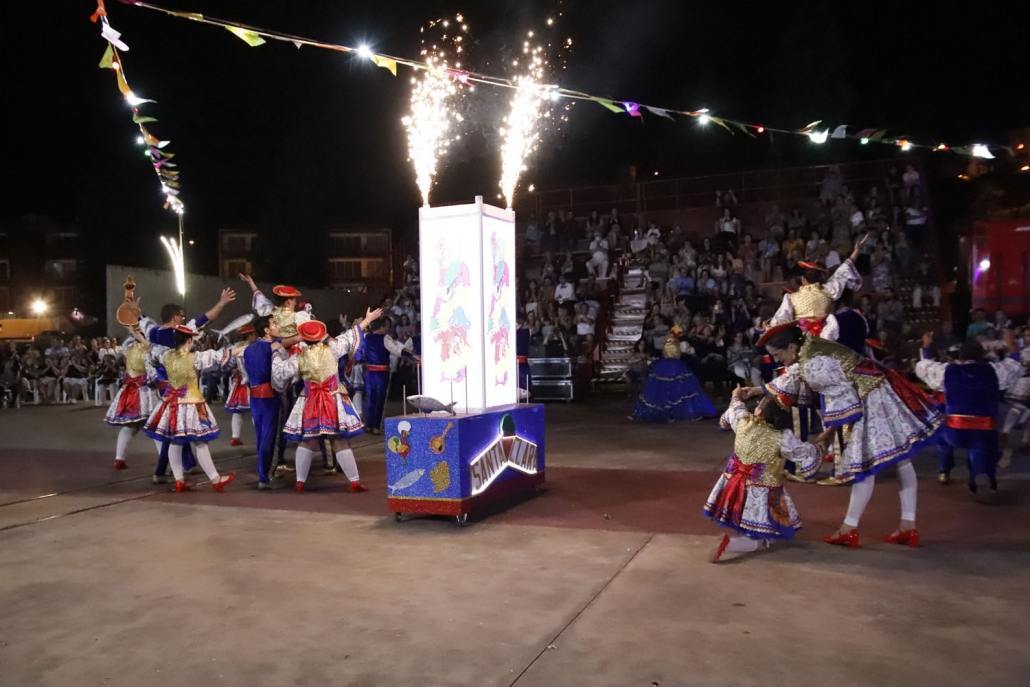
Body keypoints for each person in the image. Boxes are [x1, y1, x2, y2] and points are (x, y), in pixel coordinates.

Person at [758, 324, 943, 548]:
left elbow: (840, 398)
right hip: (880, 388)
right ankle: (908, 526)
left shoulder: (813, 363)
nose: (779, 361)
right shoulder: (810, 346)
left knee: (863, 465)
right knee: (902, 458)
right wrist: (757, 390)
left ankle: (849, 529)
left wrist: (827, 434)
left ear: (790, 346)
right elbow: (795, 377)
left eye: (778, 355)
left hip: (870, 398)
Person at [706, 389, 830, 562]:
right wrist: (823, 442)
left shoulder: (743, 421)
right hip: (762, 490)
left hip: (733, 482)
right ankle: (732, 544)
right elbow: (807, 455)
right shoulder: (782, 437)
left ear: (760, 411)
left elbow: (734, 409)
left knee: (754, 523)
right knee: (755, 538)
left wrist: (736, 394)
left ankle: (757, 537)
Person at [274, 313, 381, 493]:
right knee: (339, 440)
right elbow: (350, 336)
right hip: (332, 399)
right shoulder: (332, 349)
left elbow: (280, 373)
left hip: (310, 401)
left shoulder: (299, 358)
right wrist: (367, 320)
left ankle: (300, 482)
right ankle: (354, 481)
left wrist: (275, 352)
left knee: (308, 440)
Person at [137, 288, 237, 480]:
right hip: (185, 390)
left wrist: (138, 312)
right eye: (182, 316)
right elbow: (206, 318)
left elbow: (145, 327)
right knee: (183, 434)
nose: (184, 319)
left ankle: (176, 473)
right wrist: (222, 302)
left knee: (173, 432)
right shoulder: (183, 333)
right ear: (176, 318)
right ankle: (175, 472)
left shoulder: (154, 333)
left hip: (165, 389)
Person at [915, 330, 1022, 500]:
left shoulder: (947, 371)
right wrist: (1011, 346)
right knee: (984, 450)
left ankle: (944, 469)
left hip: (956, 428)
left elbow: (924, 367)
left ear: (960, 355)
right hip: (984, 427)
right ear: (982, 355)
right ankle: (982, 474)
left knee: (941, 435)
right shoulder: (993, 370)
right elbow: (1014, 366)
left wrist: (926, 346)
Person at [768, 234, 866, 340]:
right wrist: (857, 250)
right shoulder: (829, 290)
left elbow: (779, 321)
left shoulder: (791, 298)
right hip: (825, 339)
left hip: (802, 341)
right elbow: (844, 269)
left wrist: (768, 328)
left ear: (803, 280)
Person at [630, 326, 717, 423]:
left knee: (672, 387)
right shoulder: (676, 342)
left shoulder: (674, 342)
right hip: (673, 365)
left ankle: (672, 412)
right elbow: (675, 353)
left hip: (671, 365)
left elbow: (673, 352)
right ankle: (673, 412)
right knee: (672, 386)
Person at [104, 331, 160, 473]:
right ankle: (165, 461)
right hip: (145, 392)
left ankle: (119, 458)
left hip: (129, 390)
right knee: (156, 427)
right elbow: (152, 375)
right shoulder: (148, 350)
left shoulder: (128, 346)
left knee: (130, 427)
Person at [242, 316, 283, 489]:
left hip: (254, 396)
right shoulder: (273, 348)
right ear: (266, 330)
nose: (277, 326)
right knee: (269, 435)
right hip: (269, 396)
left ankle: (262, 472)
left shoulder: (248, 349)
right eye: (274, 324)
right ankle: (264, 476)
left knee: (260, 435)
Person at [363, 317, 418, 434]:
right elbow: (397, 349)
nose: (388, 328)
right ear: (382, 326)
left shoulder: (366, 337)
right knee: (379, 399)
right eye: (387, 326)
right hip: (381, 373)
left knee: (370, 398)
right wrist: (413, 356)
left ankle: (368, 425)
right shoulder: (385, 338)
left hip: (368, 373)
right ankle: (376, 426)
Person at [224, 325, 256, 447]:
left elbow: (229, 364)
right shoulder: (254, 347)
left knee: (237, 411)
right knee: (255, 410)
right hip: (253, 381)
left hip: (239, 381)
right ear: (250, 335)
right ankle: (260, 436)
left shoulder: (235, 347)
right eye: (253, 334)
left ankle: (235, 437)